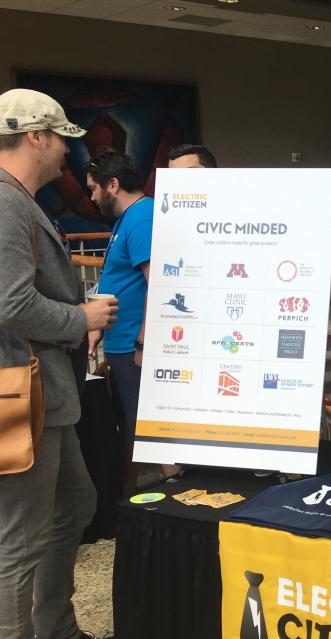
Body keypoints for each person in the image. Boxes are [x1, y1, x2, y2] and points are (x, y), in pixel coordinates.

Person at [0, 88, 118, 639]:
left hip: (46, 395)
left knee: (75, 503)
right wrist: (83, 316)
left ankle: (56, 626)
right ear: (36, 137)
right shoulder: (6, 202)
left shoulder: (18, 200)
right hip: (24, 396)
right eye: (63, 139)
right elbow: (12, 304)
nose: (69, 153)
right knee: (21, 539)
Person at [83, 150, 169, 487]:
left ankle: (175, 491)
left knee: (149, 425)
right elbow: (120, 281)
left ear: (113, 185)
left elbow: (158, 284)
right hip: (121, 341)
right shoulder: (128, 218)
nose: (90, 197)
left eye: (93, 188)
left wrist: (143, 343)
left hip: (135, 345)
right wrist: (98, 326)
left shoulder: (142, 217)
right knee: (133, 423)